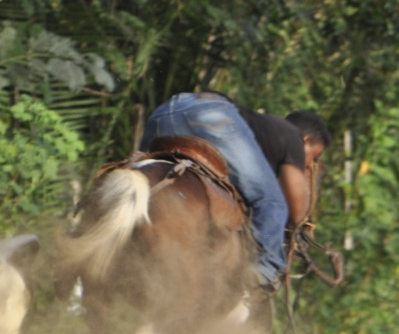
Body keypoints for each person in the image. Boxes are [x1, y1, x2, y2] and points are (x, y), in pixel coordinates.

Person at [140, 91, 331, 292]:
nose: (310, 163)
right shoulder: (293, 137)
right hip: (211, 113)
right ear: (307, 141)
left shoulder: (266, 130)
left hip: (164, 112)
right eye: (315, 156)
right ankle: (262, 274)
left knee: (148, 178)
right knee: (273, 203)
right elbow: (296, 212)